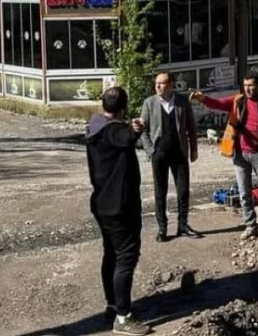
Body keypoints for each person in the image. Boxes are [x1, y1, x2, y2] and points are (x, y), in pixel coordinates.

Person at [84, 86, 151, 336]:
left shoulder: (95, 125)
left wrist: (130, 129)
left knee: (111, 255)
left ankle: (113, 305)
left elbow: (122, 136)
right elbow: (123, 138)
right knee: (126, 257)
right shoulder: (113, 131)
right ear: (122, 107)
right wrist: (135, 129)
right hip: (119, 206)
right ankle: (123, 318)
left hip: (102, 202)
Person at [191, 73, 258, 238]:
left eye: (251, 85)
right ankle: (250, 226)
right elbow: (218, 104)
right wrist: (202, 98)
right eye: (245, 85)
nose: (248, 89)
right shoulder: (238, 101)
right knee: (244, 193)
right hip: (240, 154)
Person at [138, 71, 200, 242]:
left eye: (162, 83)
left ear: (171, 84)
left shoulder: (181, 101)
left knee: (183, 190)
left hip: (179, 152)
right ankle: (162, 228)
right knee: (160, 191)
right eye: (157, 83)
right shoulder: (149, 103)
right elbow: (142, 129)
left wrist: (193, 149)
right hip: (160, 153)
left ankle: (183, 225)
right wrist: (150, 150)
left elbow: (191, 127)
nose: (158, 86)